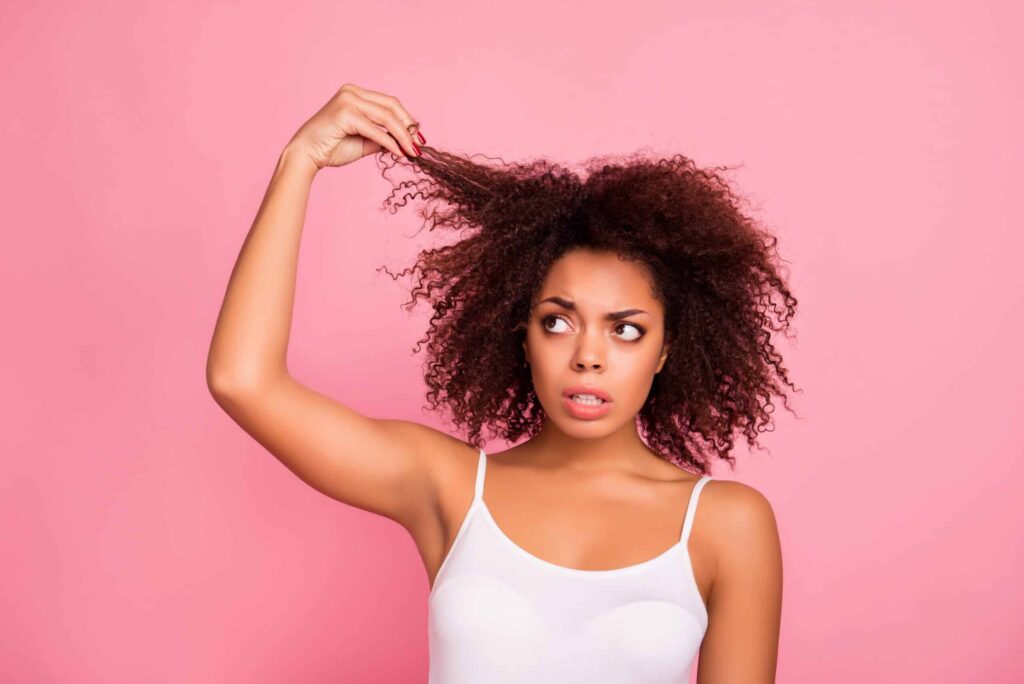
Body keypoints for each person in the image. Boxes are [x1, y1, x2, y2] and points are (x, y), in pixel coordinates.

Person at [207, 82, 795, 683]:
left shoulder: (727, 524)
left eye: (625, 330)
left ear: (666, 349)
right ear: (523, 335)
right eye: (558, 322)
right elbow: (242, 381)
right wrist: (300, 159)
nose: (588, 356)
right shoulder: (450, 488)